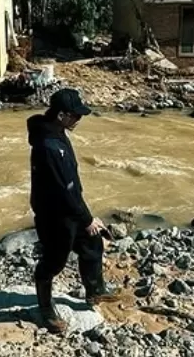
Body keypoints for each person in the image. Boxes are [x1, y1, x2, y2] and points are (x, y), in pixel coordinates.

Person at [26, 88, 117, 334]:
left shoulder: (57, 133)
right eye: (76, 115)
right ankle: (45, 309)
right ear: (61, 115)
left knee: (93, 242)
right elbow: (63, 190)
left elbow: (70, 188)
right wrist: (86, 219)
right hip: (54, 216)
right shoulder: (49, 146)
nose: (79, 119)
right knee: (53, 263)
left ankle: (95, 291)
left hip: (70, 208)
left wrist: (87, 217)